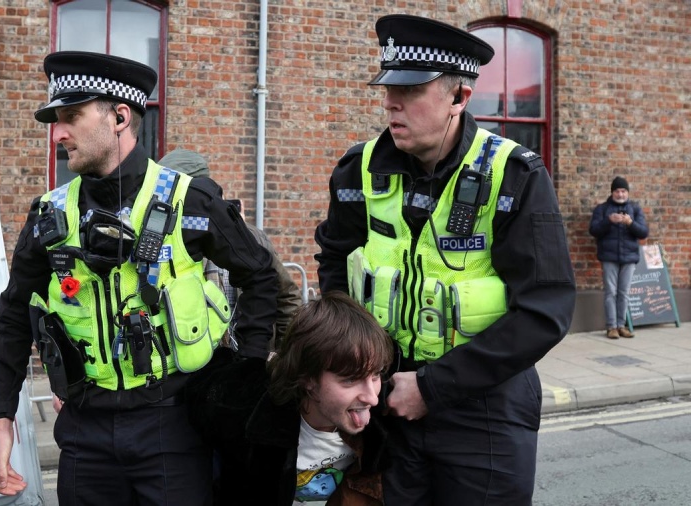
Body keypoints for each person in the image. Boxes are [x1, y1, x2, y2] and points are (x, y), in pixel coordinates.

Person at [0, 51, 278, 505]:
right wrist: (1, 418)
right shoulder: (49, 215)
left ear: (120, 117)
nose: (57, 133)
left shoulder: (189, 202)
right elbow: (15, 315)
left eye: (71, 116)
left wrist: (245, 374)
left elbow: (259, 275)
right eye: (56, 120)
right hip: (84, 431)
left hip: (173, 425)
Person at [314, 14, 576, 505]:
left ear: (459, 98)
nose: (392, 102)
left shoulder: (515, 177)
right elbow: (336, 268)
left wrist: (432, 387)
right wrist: (351, 375)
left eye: (412, 90)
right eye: (389, 87)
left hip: (486, 409)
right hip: (385, 406)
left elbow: (546, 310)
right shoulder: (357, 171)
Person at [185, 291, 393, 506]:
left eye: (376, 375)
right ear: (307, 378)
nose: (372, 398)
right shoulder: (250, 421)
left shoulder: (383, 421)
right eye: (350, 380)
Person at [158, 148, 303, 347]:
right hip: (196, 367)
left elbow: (286, 298)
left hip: (248, 362)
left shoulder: (251, 237)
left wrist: (282, 355)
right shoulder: (162, 242)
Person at [589, 176, 649, 339]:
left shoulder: (635, 209)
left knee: (624, 293)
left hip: (629, 258)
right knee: (611, 292)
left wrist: (630, 223)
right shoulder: (602, 209)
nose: (620, 194)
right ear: (612, 192)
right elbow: (594, 230)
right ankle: (611, 327)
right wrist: (609, 221)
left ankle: (622, 326)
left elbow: (643, 232)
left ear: (627, 192)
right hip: (609, 257)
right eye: (617, 191)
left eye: (623, 191)